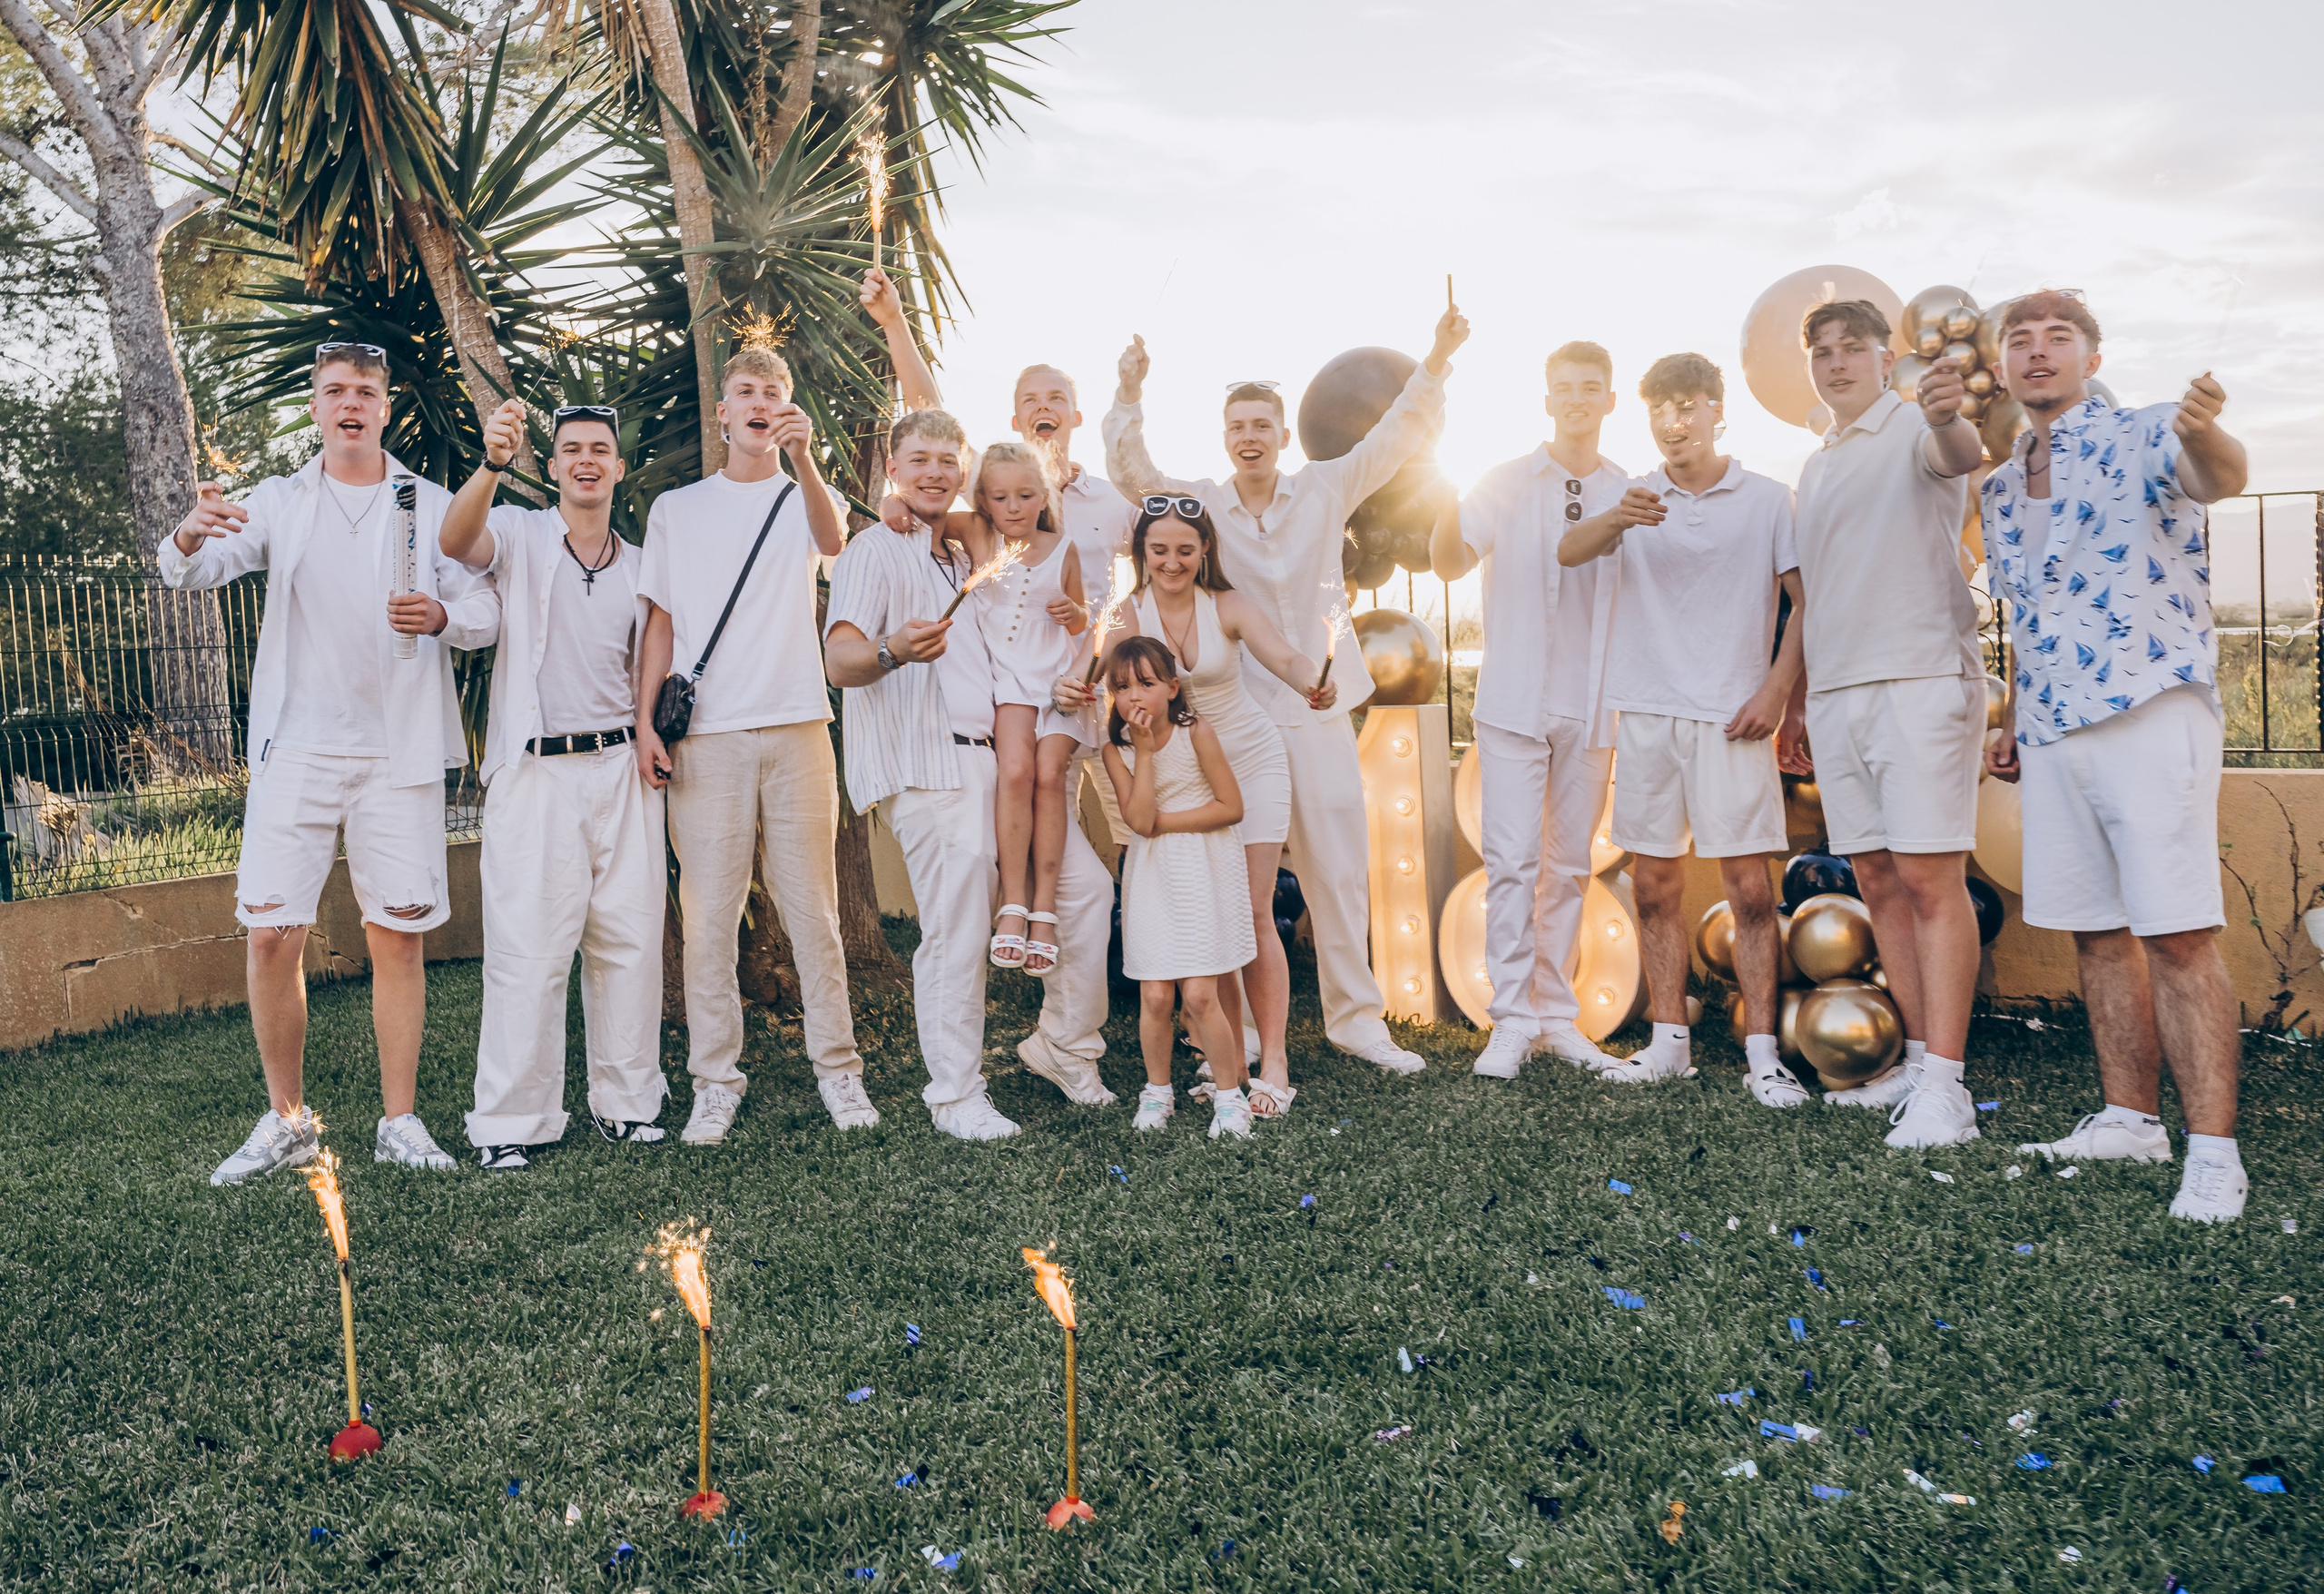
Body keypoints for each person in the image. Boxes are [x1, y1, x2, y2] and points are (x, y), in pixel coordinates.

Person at [158, 341, 498, 1185]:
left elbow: (486, 605)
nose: (351, 403)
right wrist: (189, 531)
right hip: (298, 749)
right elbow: (194, 569)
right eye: (335, 391)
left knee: (398, 938)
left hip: (398, 753)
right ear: (315, 407)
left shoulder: (430, 502)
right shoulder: (281, 499)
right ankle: (287, 1123)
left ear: (385, 407)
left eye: (365, 391)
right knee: (272, 934)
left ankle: (400, 1122)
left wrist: (442, 617)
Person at [1105, 298, 1470, 1076]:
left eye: (1261, 425)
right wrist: (1129, 392)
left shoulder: (1326, 488)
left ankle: (1358, 1022)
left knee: (1339, 868)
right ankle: (1228, 1036)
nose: (1250, 436)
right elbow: (1134, 476)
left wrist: (1437, 358)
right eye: (1238, 426)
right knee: (1233, 883)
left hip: (1315, 707)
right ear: (1226, 437)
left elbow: (1398, 433)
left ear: (1280, 434)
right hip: (1233, 718)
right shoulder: (1204, 502)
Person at [1979, 292, 2250, 1222]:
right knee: (2096, 933)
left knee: (2176, 932)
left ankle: (2214, 1155)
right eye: (2019, 340)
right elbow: (2030, 610)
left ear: (2090, 359)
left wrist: (2205, 431)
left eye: (2057, 338)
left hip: (2149, 709)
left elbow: (2220, 476)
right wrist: (2014, 715)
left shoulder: (2145, 433)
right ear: (2003, 366)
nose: (2037, 351)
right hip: (2053, 727)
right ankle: (2130, 1120)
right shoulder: (1999, 486)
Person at [862, 271, 1119, 1108]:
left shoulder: (1101, 508)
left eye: (1057, 397)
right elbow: (930, 428)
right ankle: (965, 1083)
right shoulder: (971, 517)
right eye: (1029, 398)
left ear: (1073, 414)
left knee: (1089, 894)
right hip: (981, 743)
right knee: (982, 914)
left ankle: (1064, 1045)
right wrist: (895, 324)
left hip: (1057, 721)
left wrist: (1090, 667)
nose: (1044, 407)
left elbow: (1124, 601)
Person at [1558, 353, 1808, 1104]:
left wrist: (1777, 691)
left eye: (1689, 406)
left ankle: (1763, 1055)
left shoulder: (1767, 499)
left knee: (1750, 891)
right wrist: (1617, 517)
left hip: (1733, 716)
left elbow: (1807, 601)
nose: (1674, 423)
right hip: (1646, 710)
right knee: (1653, 885)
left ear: (1716, 411)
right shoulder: (1633, 495)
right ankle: (1670, 1041)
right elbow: (1568, 552)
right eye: (1661, 410)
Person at [634, 344, 867, 1146]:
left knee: (815, 914)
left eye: (773, 390)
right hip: (708, 737)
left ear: (786, 409)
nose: (760, 401)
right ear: (724, 411)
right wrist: (645, 725)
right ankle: (714, 1082)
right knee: (708, 921)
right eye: (746, 390)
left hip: (799, 726)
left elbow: (834, 542)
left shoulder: (806, 493)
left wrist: (805, 460)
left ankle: (839, 1071)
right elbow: (660, 624)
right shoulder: (677, 510)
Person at [438, 399, 666, 1169]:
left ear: (618, 467)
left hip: (622, 769)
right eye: (572, 450)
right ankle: (510, 1124)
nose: (586, 461)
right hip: (536, 773)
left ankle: (627, 1106)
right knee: (527, 952)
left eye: (599, 449)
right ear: (556, 465)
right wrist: (492, 464)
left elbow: (651, 660)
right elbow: (454, 541)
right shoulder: (521, 533)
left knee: (629, 943)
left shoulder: (641, 564)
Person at [1782, 300, 1986, 1147]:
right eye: (1821, 352)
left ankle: (1948, 1089)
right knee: (1876, 878)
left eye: (1852, 348)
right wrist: (1801, 697)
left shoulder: (1915, 426)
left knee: (1932, 880)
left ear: (1883, 355)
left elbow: (1960, 455)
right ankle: (1915, 1062)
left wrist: (1945, 416)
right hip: (1839, 692)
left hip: (1919, 680)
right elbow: (1818, 593)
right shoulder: (1818, 462)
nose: (1836, 364)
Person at [1058, 497, 1334, 1117]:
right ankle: (1228, 1061)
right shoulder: (1126, 612)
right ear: (1142, 552)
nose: (1172, 561)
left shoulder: (1228, 605)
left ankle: (1275, 1063)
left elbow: (1285, 656)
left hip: (1248, 762)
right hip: (1175, 772)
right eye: (1159, 549)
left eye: (1185, 549)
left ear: (1205, 549)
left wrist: (1310, 681)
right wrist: (1068, 686)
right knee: (1215, 921)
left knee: (1252, 912)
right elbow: (1087, 669)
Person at [1427, 340, 1627, 1077]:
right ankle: (1511, 1019)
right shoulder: (1503, 482)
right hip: (1513, 701)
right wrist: (1442, 495)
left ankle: (1558, 1018)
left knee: (1569, 867)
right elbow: (1449, 562)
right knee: (1510, 864)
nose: (1577, 398)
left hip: (1593, 703)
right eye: (1565, 387)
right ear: (1547, 400)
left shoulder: (1630, 489)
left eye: (1591, 387)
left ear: (1610, 400)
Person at [894, 440, 1088, 977]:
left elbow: (1085, 622)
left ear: (1043, 495)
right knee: (1017, 772)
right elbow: (921, 511)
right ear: (983, 501)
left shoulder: (1063, 547)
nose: (1014, 507)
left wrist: (1072, 612)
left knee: (1050, 776)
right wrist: (892, 504)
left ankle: (1043, 910)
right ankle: (1014, 902)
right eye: (1000, 498)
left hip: (1058, 683)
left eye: (1026, 495)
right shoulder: (980, 534)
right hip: (1010, 684)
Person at [1101, 635, 1260, 1139]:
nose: (1134, 696)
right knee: (1154, 996)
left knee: (1199, 994)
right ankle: (1158, 1092)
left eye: (1146, 684)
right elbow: (1137, 820)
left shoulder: (1197, 734)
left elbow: (1231, 807)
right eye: (1121, 687)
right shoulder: (1116, 751)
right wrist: (1145, 753)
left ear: (1172, 688)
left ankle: (1230, 1097)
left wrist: (1162, 825)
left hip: (1202, 869)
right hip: (1151, 875)